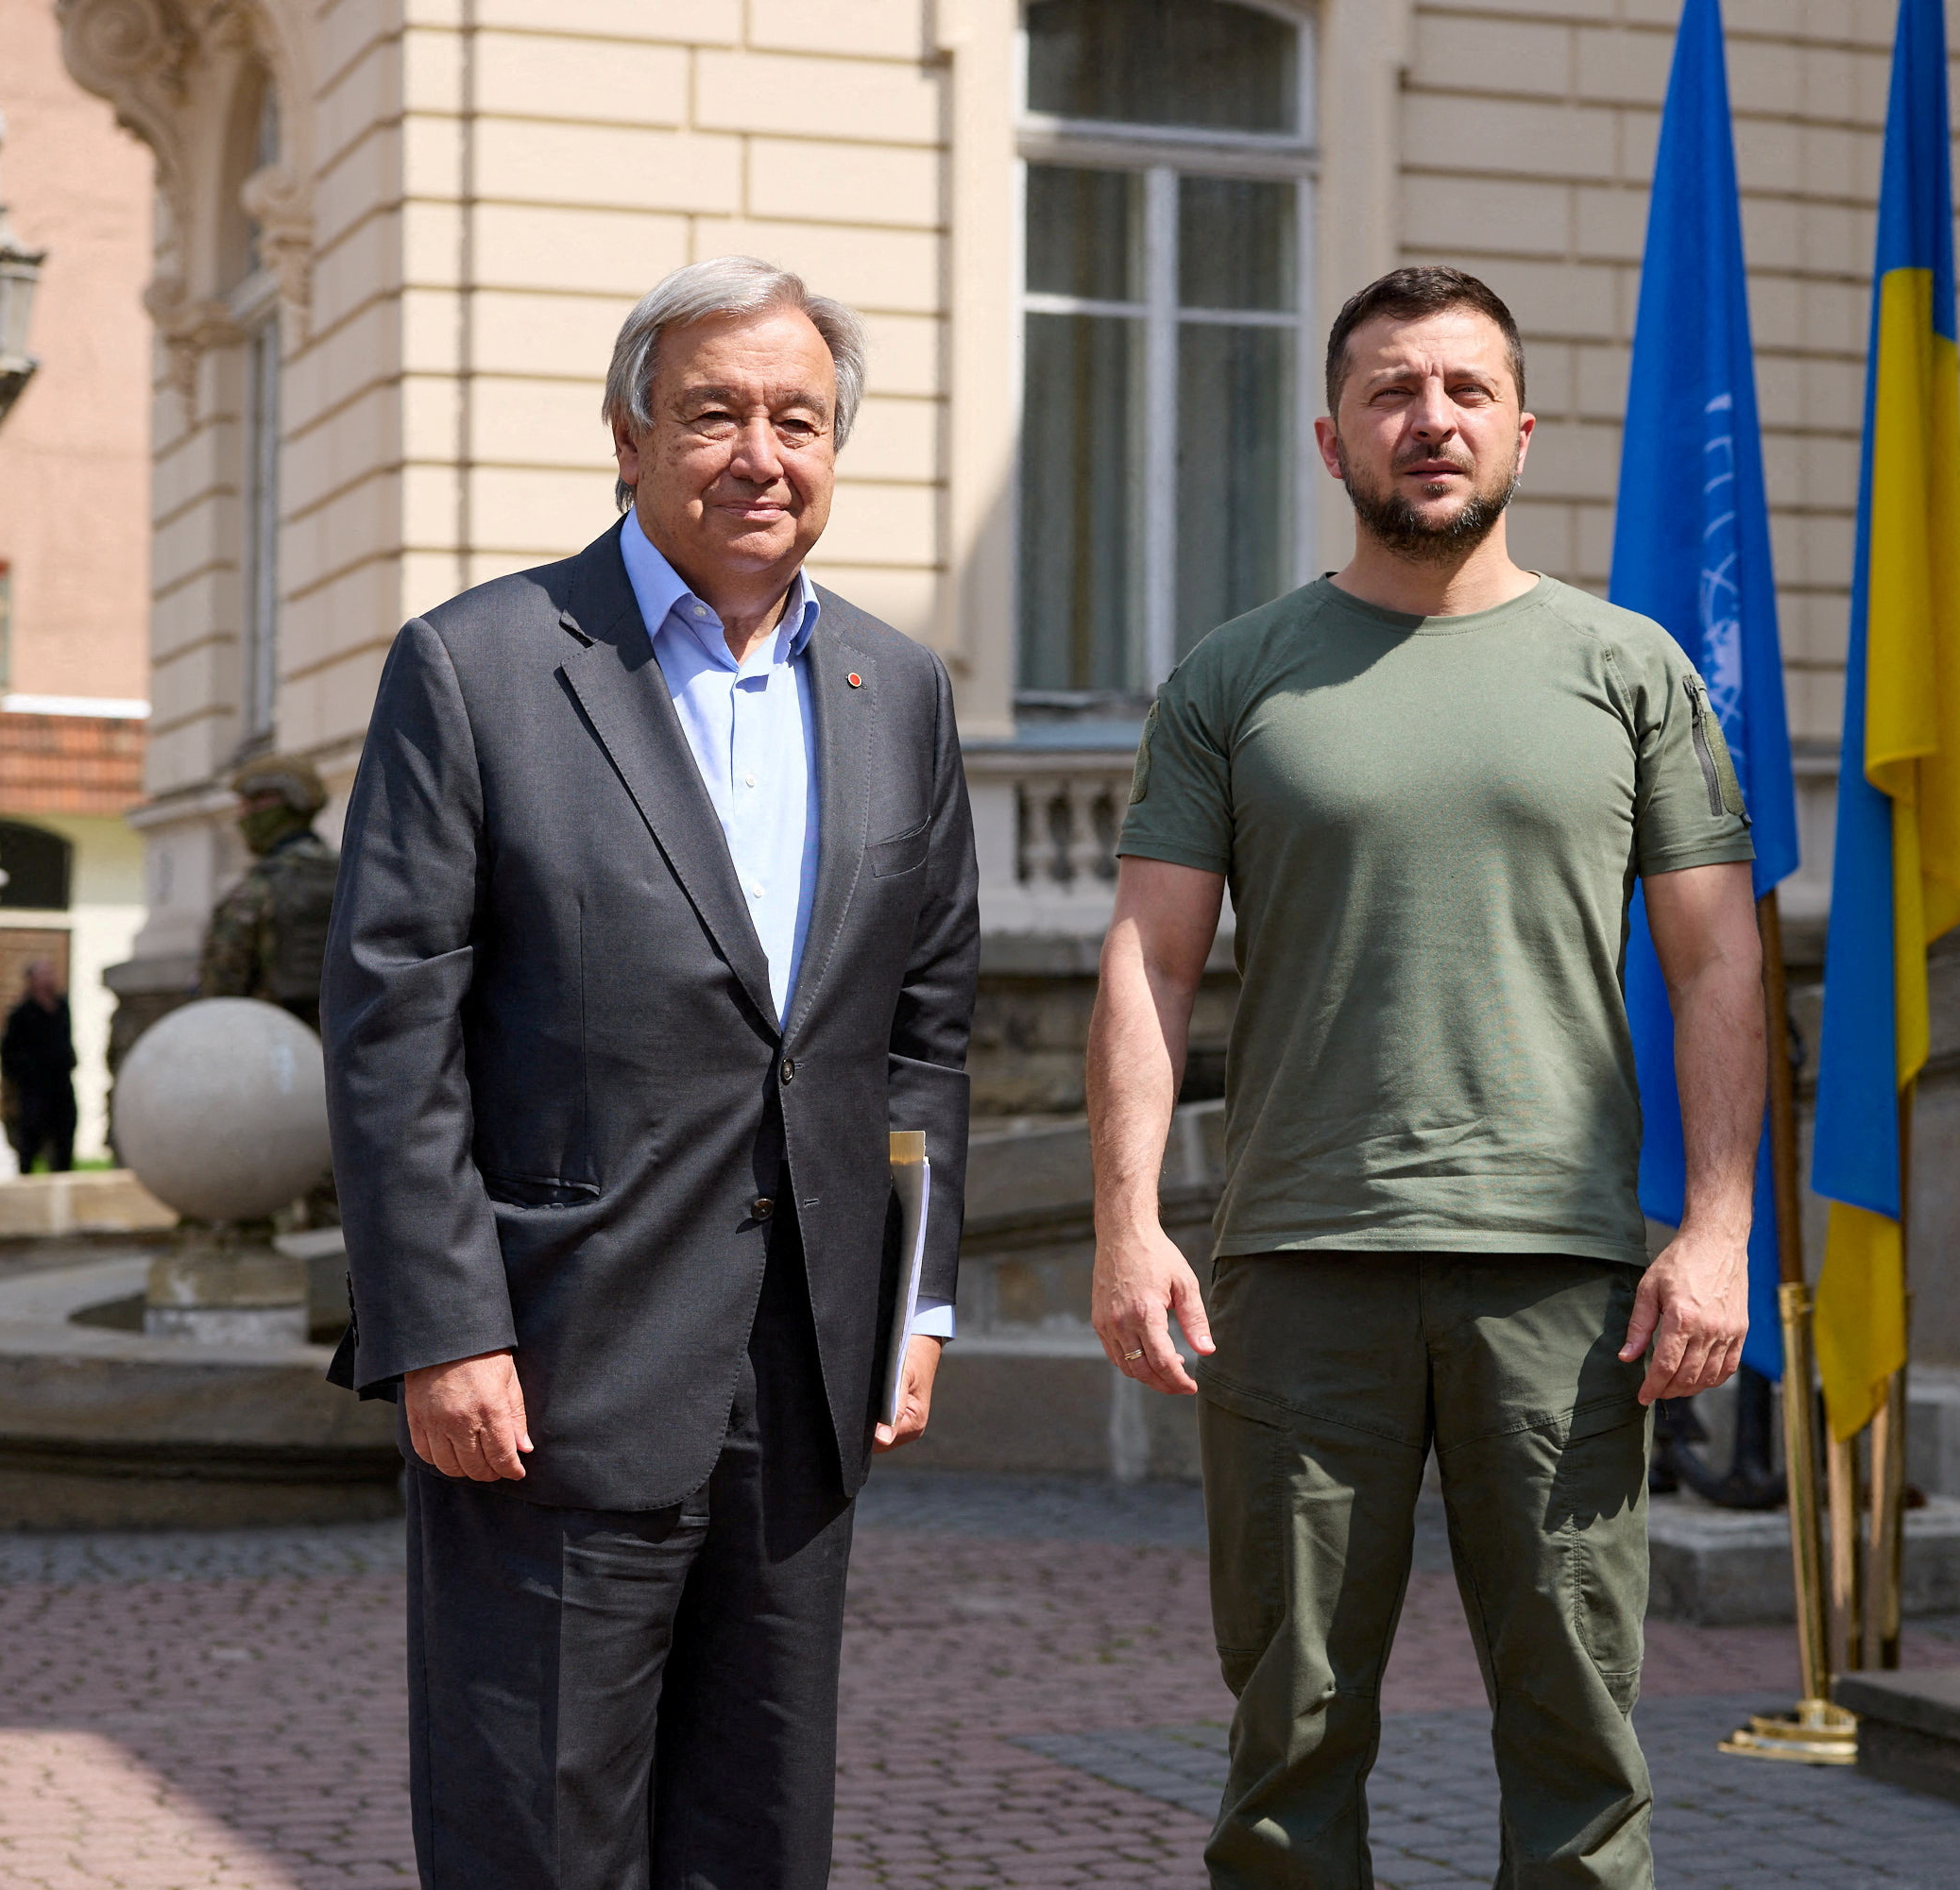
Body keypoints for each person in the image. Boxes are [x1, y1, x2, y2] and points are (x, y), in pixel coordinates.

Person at [1087, 265, 1764, 1889]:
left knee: (1578, 1735)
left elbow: (1721, 963)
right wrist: (1127, 1219)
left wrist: (1722, 1227)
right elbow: (1148, 959)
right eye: (1393, 391)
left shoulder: (1632, 672)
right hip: (1300, 1268)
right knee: (1291, 1735)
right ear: (1333, 439)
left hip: (1564, 1280)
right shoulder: (1236, 680)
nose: (1431, 418)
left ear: (1524, 430)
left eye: (1465, 389)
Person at [321, 256, 980, 1890]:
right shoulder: (479, 667)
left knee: (759, 1832)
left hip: (808, 1371)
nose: (760, 454)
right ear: (627, 438)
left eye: (798, 419)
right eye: (713, 414)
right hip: (554, 1362)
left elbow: (924, 1028)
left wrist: (917, 1298)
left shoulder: (898, 691)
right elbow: (394, 1023)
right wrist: (446, 1325)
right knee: (537, 1832)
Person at [197, 755, 340, 1031]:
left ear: (288, 803)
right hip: (345, 1051)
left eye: (253, 803)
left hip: (271, 1045)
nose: (243, 815)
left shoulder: (256, 891)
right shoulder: (352, 879)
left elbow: (221, 989)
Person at [0, 958, 77, 1174]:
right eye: (43, 974)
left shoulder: (62, 1007)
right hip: (34, 1090)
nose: (49, 978)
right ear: (31, 980)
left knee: (64, 1141)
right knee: (29, 1142)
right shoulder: (21, 1014)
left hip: (61, 1085)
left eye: (50, 973)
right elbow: (8, 1053)